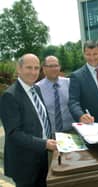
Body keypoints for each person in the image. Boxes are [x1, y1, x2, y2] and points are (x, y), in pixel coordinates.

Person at [0, 54, 57, 187]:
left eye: (36, 68)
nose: (33, 72)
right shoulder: (9, 96)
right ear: (18, 69)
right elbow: (14, 134)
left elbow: (40, 120)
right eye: (29, 67)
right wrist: (44, 143)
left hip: (43, 158)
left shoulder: (36, 88)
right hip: (24, 164)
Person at [36, 55, 74, 132]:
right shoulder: (37, 88)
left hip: (72, 131)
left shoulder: (70, 83)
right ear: (44, 68)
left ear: (59, 67)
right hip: (50, 134)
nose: (54, 69)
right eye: (50, 66)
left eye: (56, 65)